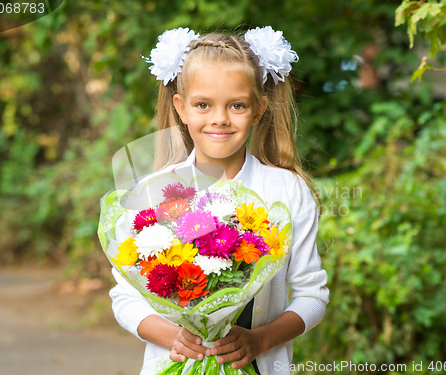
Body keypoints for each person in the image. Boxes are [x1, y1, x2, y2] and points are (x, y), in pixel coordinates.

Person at [109, 26, 330, 375]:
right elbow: (125, 297)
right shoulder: (154, 192)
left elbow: (313, 296)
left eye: (237, 105)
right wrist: (173, 336)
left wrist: (260, 340)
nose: (219, 118)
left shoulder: (286, 190)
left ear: (259, 110)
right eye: (202, 105)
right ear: (181, 108)